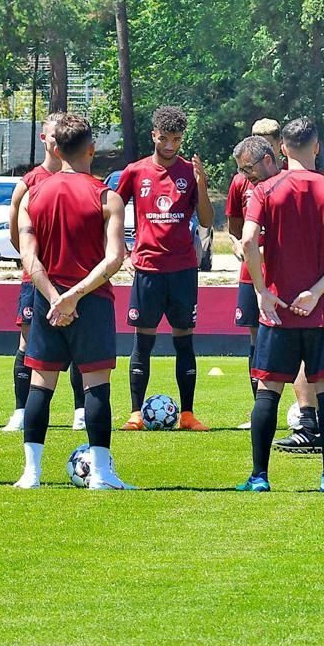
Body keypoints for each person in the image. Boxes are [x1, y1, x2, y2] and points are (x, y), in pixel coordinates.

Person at [234, 119, 324, 493]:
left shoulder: (266, 190)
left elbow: (247, 240)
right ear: (316, 147)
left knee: (269, 389)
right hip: (323, 313)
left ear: (283, 149)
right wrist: (318, 291)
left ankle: (259, 477)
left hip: (278, 311)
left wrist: (261, 290)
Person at [13, 113, 132, 489]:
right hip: (91, 301)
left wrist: (53, 297)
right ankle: (102, 474)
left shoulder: (34, 193)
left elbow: (28, 256)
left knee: (40, 386)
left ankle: (31, 473)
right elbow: (114, 258)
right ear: (91, 149)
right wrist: (73, 296)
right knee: (96, 387)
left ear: (55, 147)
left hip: (48, 302)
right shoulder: (106, 195)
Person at [118, 106, 214, 431]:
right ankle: (135, 414)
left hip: (183, 270)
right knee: (142, 341)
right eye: (164, 138)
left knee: (184, 340)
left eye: (176, 139)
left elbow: (207, 220)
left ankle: (187, 414)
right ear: (153, 135)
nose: (170, 145)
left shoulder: (190, 172)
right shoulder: (135, 171)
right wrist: (121, 247)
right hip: (147, 267)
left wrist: (201, 183)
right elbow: (112, 210)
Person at [4, 112, 86, 433]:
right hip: (35, 279)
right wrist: (33, 259)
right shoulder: (30, 182)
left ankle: (80, 410)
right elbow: (17, 232)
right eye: (52, 136)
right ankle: (21, 411)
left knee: (81, 344)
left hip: (74, 278)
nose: (56, 141)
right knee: (29, 344)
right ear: (44, 139)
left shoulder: (80, 177)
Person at [228, 118, 281, 429]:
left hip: (281, 273)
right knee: (255, 339)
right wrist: (238, 245)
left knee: (289, 339)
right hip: (251, 273)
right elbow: (235, 228)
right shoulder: (240, 182)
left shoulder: (287, 178)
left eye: (268, 140)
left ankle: (301, 410)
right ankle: (257, 410)